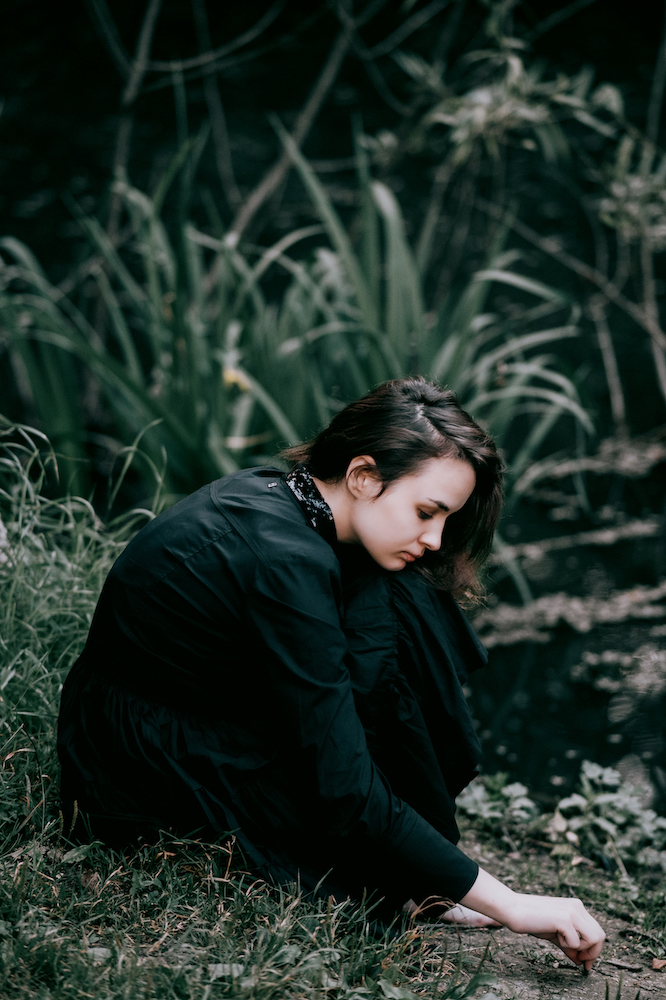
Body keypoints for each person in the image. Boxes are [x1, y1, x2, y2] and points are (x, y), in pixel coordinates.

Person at [57, 376, 605, 969]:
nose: (435, 537)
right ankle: (420, 875)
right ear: (363, 475)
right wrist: (514, 905)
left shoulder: (297, 500)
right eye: (427, 512)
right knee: (351, 838)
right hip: (144, 757)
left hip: (214, 703)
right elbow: (343, 787)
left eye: (447, 518)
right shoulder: (284, 560)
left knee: (405, 602)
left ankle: (421, 864)